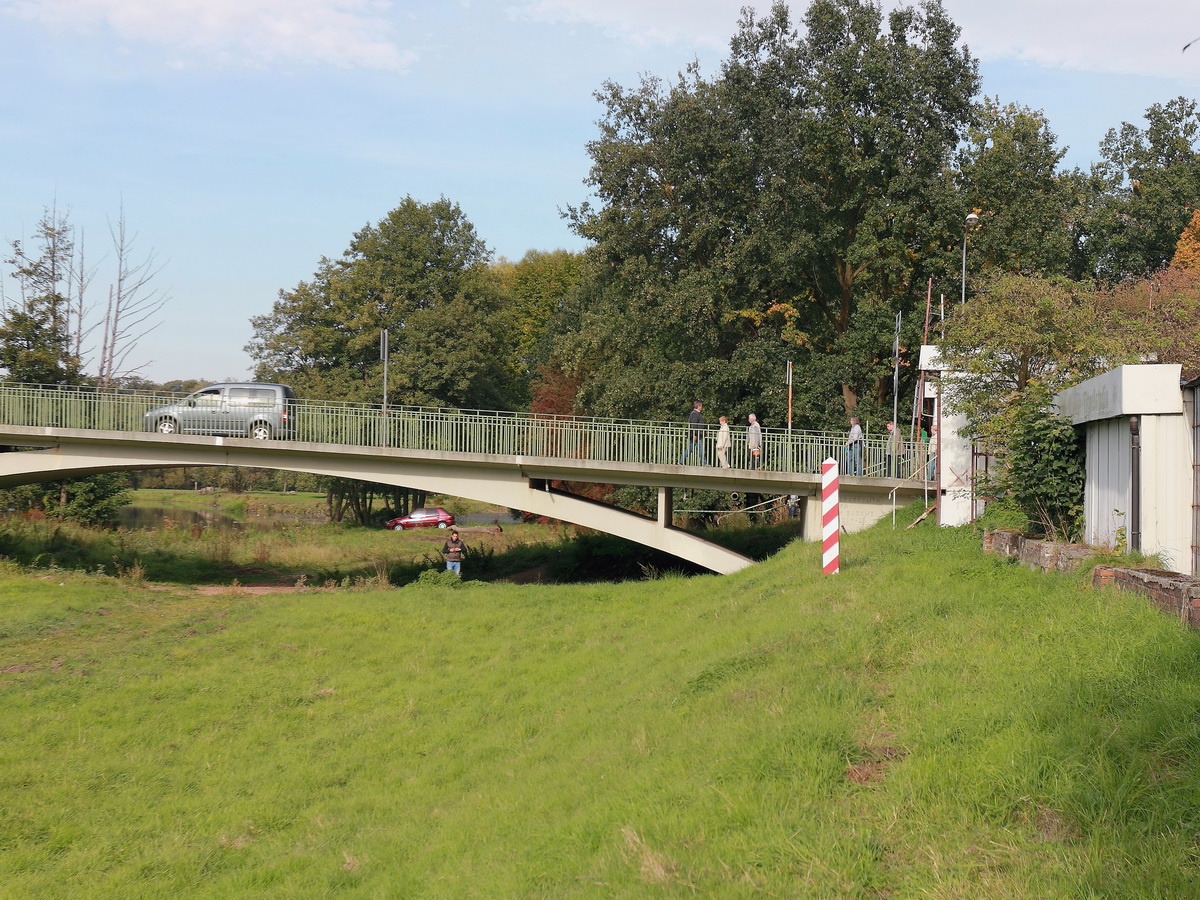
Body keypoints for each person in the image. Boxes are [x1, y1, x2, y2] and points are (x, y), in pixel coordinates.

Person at [677, 400, 707, 465]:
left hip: (696, 435)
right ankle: (704, 463)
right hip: (696, 435)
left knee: (691, 449)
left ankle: (681, 461)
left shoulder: (695, 413)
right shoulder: (694, 413)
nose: (702, 407)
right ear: (698, 406)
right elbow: (694, 425)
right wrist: (695, 434)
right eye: (701, 406)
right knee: (700, 449)